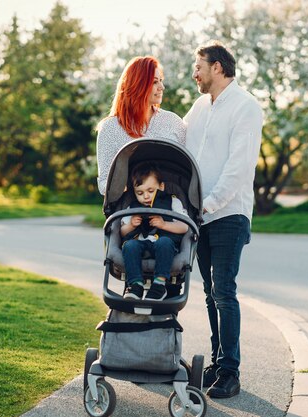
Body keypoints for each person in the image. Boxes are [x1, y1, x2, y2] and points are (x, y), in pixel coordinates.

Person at [183, 41, 263, 398]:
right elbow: (178, 142)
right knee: (209, 293)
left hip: (229, 213)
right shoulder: (199, 107)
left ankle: (230, 371)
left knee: (223, 291)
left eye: (198, 66)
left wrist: (209, 205)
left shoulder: (246, 107)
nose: (194, 73)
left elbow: (239, 167)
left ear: (217, 67)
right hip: (201, 215)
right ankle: (217, 363)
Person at [96, 56, 185, 195]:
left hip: (167, 211)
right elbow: (103, 184)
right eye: (155, 82)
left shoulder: (173, 122)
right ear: (138, 85)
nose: (162, 87)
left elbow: (184, 173)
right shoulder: (110, 128)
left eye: (161, 81)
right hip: (129, 211)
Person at [120, 162, 189, 301]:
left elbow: (185, 227)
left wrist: (164, 224)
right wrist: (131, 226)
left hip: (165, 245)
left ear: (161, 186)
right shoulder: (132, 207)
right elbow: (121, 232)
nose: (146, 196)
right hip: (140, 244)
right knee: (129, 245)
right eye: (140, 193)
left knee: (164, 242)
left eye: (150, 191)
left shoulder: (173, 202)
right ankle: (136, 285)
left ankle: (159, 284)